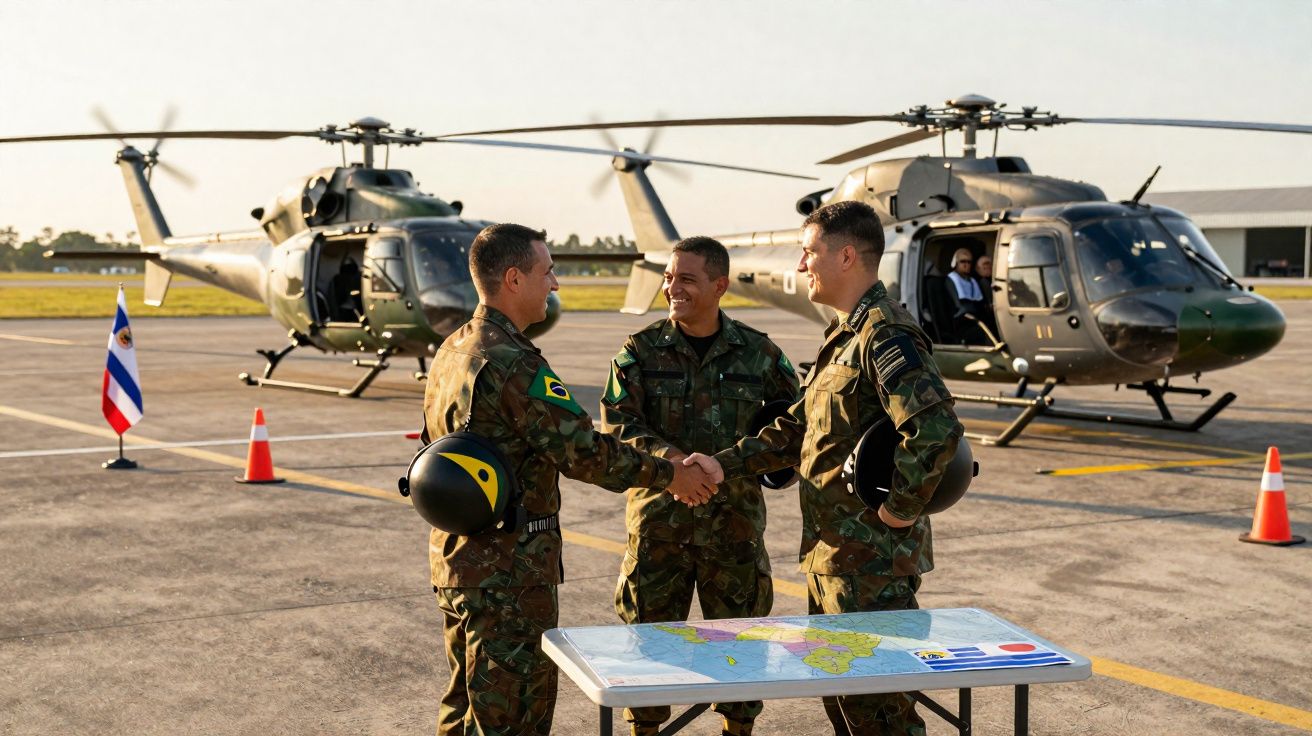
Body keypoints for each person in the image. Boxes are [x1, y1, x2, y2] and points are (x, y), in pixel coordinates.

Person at [423, 223, 721, 736]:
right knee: (512, 718)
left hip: (459, 558)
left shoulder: (454, 349)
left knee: (465, 708)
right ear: (514, 279)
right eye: (547, 272)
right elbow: (583, 452)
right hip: (509, 571)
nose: (555, 283)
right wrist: (670, 474)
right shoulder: (512, 361)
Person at [697, 201, 964, 735]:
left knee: (880, 713)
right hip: (833, 560)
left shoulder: (885, 334)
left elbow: (936, 430)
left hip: (872, 565)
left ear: (845, 256)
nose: (801, 265)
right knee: (845, 702)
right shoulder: (844, 335)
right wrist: (722, 466)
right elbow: (798, 428)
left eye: (809, 251)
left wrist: (899, 511)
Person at [601, 236, 800, 736]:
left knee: (742, 652)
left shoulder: (760, 353)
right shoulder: (639, 351)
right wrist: (674, 466)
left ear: (719, 285)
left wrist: (727, 465)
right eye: (669, 277)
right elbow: (618, 424)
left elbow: (793, 429)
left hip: (734, 532)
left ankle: (738, 729)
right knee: (648, 653)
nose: (672, 287)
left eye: (686, 279)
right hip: (658, 530)